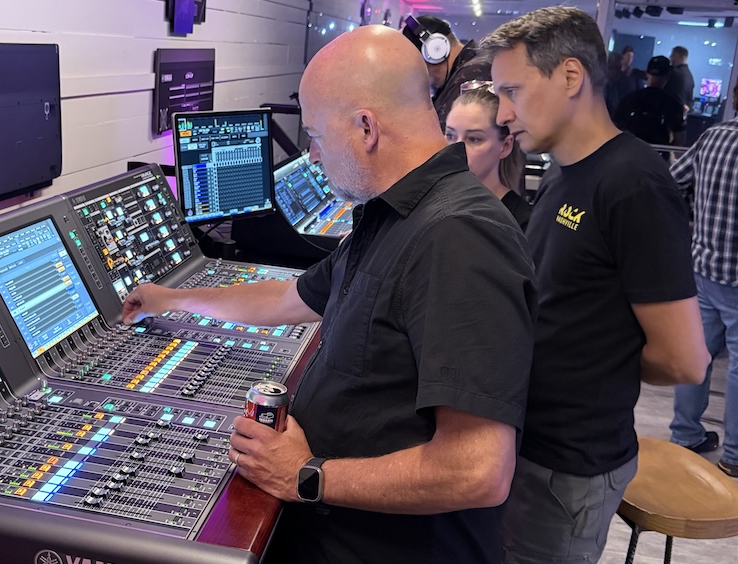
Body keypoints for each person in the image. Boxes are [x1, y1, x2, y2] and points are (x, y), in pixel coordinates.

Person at [124, 25, 538, 564]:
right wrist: (170, 300)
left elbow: (477, 470)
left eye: (316, 136)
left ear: (366, 127)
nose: (312, 157)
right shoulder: (394, 214)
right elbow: (288, 297)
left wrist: (307, 476)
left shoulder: (458, 237)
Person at [481, 7, 709, 563]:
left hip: (566, 467)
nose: (503, 114)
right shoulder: (564, 170)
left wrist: (598, 367)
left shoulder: (632, 184)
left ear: (570, 76)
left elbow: (685, 361)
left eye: (513, 90)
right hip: (525, 444)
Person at [668, 60, 738, 485]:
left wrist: (692, 223)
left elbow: (670, 183)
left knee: (697, 358)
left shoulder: (712, 136)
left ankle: (686, 434)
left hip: (702, 268)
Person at [444, 83, 531, 229]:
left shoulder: (522, 223)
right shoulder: (433, 207)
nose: (456, 149)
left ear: (505, 146)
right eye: (450, 135)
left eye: (473, 139)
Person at [402, 15, 491, 130]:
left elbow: (443, 137)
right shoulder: (461, 72)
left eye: (416, 66)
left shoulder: (469, 79)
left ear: (435, 51)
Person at [614, 55, 687, 148]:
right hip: (657, 156)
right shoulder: (672, 104)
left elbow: (615, 127)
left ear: (647, 74)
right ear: (667, 77)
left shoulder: (630, 98)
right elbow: (680, 138)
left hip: (630, 152)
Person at [665, 46, 695, 111]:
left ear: (682, 57)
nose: (670, 57)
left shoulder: (673, 72)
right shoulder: (690, 77)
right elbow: (689, 100)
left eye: (673, 55)